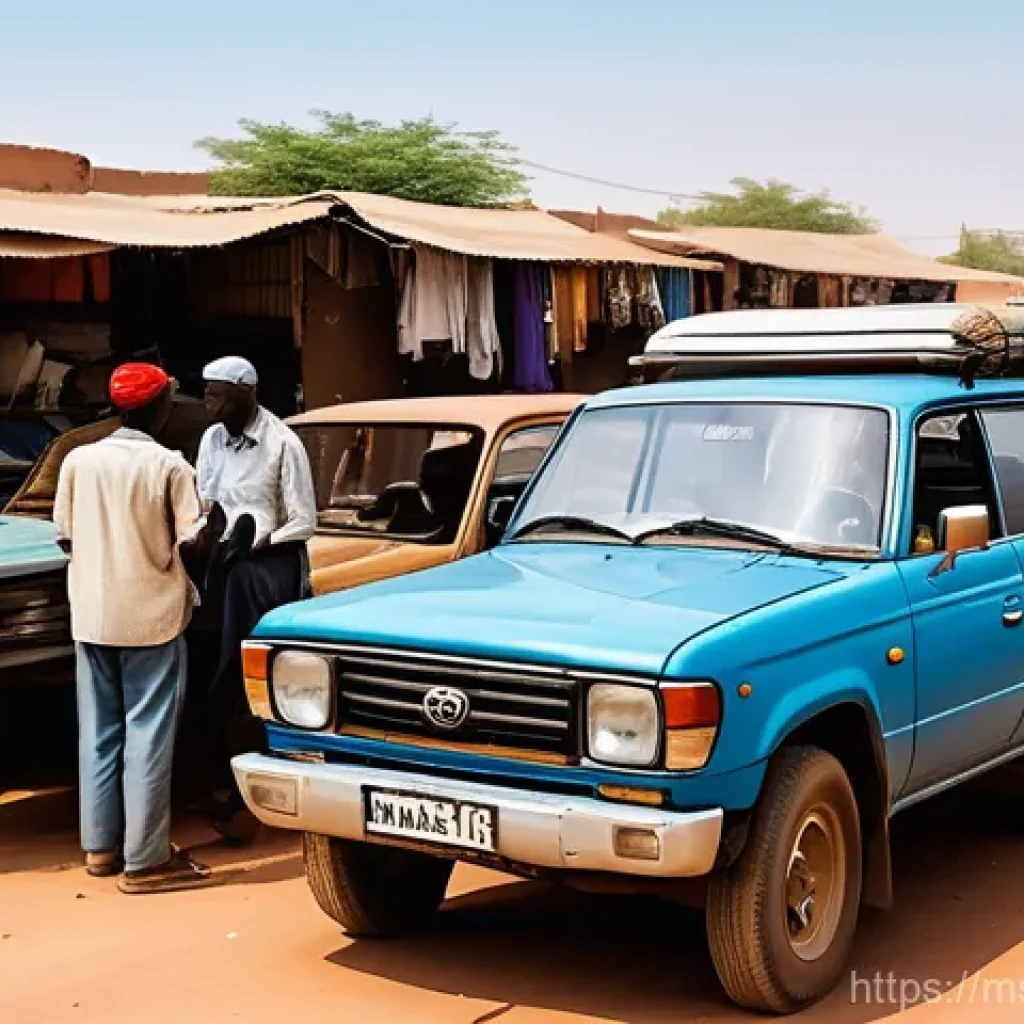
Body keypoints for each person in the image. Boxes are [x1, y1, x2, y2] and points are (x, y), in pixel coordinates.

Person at [53, 363, 211, 894]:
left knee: (98, 734)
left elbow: (66, 537)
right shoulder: (170, 465)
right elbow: (194, 541)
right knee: (147, 735)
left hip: (92, 614)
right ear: (161, 406)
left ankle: (100, 849)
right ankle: (145, 860)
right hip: (152, 617)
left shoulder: (79, 460)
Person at [194, 356, 316, 839]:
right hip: (223, 564)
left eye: (218, 394)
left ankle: (256, 790)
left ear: (246, 391)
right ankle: (218, 778)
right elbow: (206, 503)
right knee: (213, 669)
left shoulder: (283, 443)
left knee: (251, 672)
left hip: (268, 566)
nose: (209, 402)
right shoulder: (211, 440)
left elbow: (304, 521)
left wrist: (261, 541)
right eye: (206, 393)